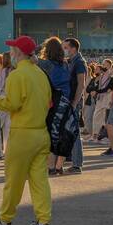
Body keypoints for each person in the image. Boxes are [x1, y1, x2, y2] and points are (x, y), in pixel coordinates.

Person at [0, 36, 54, 225]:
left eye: (12, 50)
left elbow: (11, 104)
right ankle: (43, 224)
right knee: (40, 182)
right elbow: (48, 102)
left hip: (22, 134)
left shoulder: (17, 75)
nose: (10, 53)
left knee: (14, 181)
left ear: (19, 53)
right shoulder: (40, 74)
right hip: (41, 133)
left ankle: (4, 222)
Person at [38, 37, 73, 176]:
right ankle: (59, 165)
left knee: (51, 134)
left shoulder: (46, 64)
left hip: (54, 101)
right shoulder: (65, 64)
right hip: (65, 101)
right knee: (61, 132)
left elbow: (32, 60)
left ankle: (51, 166)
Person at [62, 37, 88, 172]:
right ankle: (71, 157)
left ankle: (77, 163)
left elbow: (81, 84)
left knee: (74, 132)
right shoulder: (71, 61)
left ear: (73, 48)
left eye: (65, 47)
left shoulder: (79, 63)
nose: (63, 50)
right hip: (70, 101)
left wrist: (75, 103)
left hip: (74, 101)